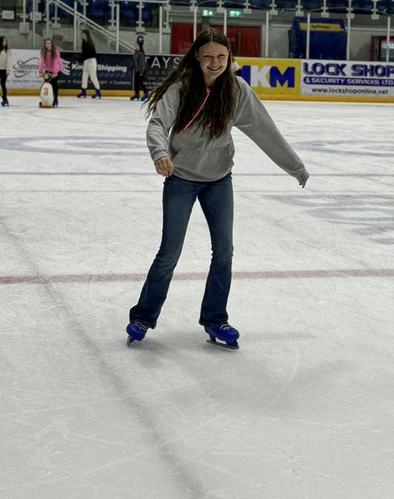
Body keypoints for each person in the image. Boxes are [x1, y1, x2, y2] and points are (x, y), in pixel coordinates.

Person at [127, 29, 309, 349]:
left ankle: (215, 319)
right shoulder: (181, 88)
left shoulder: (237, 91)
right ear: (197, 57)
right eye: (208, 56)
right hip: (181, 179)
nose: (215, 63)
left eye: (221, 57)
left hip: (219, 181)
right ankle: (142, 316)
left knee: (224, 253)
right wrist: (160, 153)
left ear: (229, 58)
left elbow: (265, 131)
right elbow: (158, 123)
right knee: (169, 253)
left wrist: (295, 167)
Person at [39, 37, 62, 107]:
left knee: (54, 83)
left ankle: (55, 99)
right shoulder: (43, 52)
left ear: (52, 44)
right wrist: (40, 71)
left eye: (49, 43)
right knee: (44, 85)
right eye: (46, 43)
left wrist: (55, 72)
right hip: (48, 70)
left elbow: (56, 62)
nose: (48, 45)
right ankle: (44, 99)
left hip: (57, 69)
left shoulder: (55, 51)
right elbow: (42, 62)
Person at [78, 29, 101, 99]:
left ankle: (98, 92)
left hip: (91, 61)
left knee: (93, 77)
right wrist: (81, 60)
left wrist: (80, 60)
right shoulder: (84, 43)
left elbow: (89, 54)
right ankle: (83, 91)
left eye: (84, 34)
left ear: (87, 35)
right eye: (82, 34)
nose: (83, 36)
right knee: (84, 76)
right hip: (86, 61)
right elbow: (83, 54)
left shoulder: (90, 43)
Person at [130, 34, 148, 101]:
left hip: (140, 71)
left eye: (136, 44)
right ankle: (137, 94)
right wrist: (132, 67)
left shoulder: (140, 53)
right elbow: (135, 62)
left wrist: (141, 72)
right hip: (137, 70)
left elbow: (142, 64)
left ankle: (146, 93)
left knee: (140, 83)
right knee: (136, 83)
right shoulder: (136, 52)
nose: (135, 45)